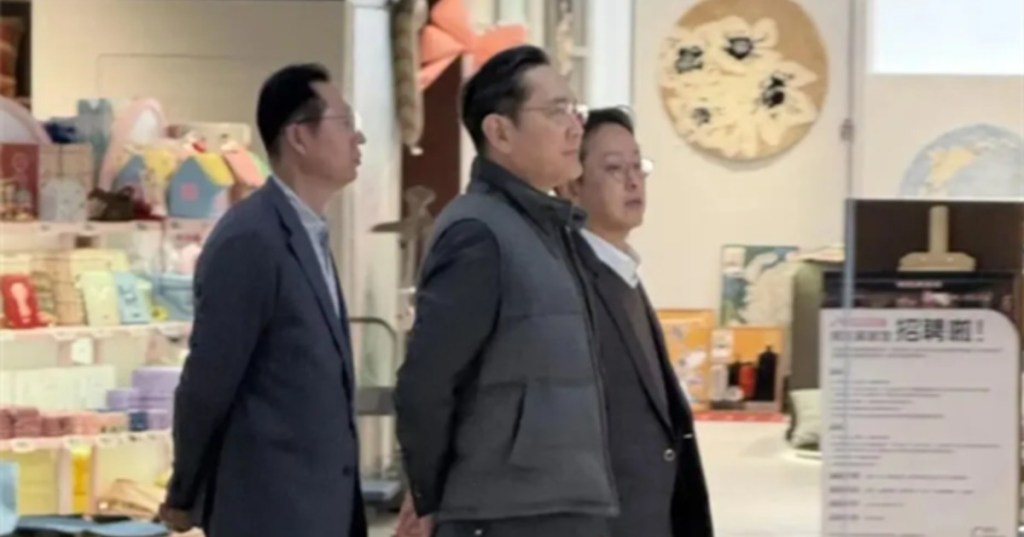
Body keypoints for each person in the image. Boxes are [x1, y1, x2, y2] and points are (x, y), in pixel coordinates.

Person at [393, 45, 618, 537]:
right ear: (499, 132)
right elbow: (428, 380)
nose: (575, 127)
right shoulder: (479, 233)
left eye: (574, 109)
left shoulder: (547, 229)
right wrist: (427, 493)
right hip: (506, 512)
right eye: (556, 111)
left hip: (560, 501)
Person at [159, 63, 368, 537]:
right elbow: (209, 381)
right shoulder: (251, 239)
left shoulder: (309, 234)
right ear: (299, 137)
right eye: (345, 123)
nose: (359, 138)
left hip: (320, 508)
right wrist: (184, 490)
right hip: (270, 510)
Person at [557, 107, 714, 537]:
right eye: (613, 168)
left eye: (637, 166)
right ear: (572, 184)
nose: (633, 181)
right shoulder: (567, 281)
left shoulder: (622, 271)